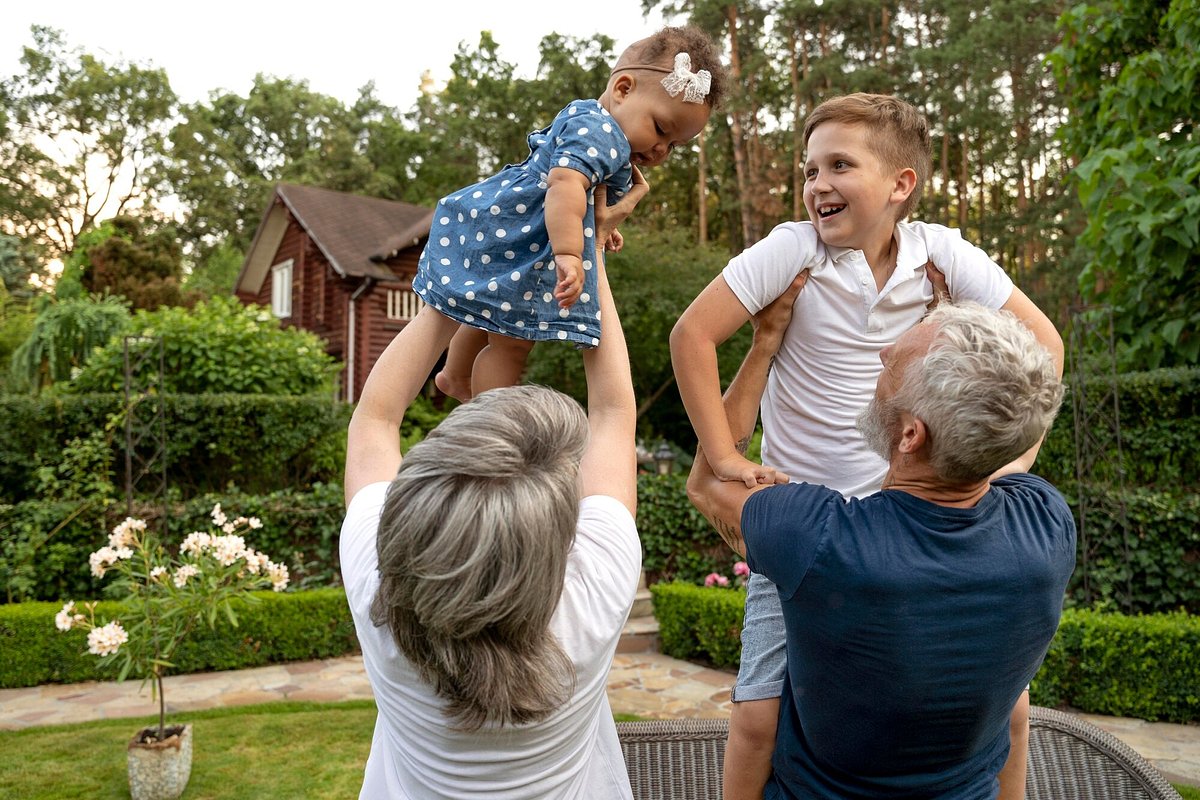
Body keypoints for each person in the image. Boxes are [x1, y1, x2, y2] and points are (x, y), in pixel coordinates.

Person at [669, 92, 1066, 800]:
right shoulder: (793, 250)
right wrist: (727, 458)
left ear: (900, 185)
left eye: (839, 165)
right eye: (809, 168)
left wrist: (1003, 465)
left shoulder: (941, 255)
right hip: (804, 518)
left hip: (910, 516)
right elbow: (691, 336)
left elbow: (1045, 347)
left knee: (1008, 703)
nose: (816, 183)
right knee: (760, 710)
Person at [687, 294, 1076, 799]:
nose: (883, 351)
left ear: (911, 435)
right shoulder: (1046, 526)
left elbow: (705, 483)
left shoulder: (819, 537)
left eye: (899, 357)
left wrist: (764, 345)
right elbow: (1009, 452)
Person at [340, 173, 647, 798]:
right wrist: (585, 252)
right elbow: (614, 413)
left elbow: (374, 419)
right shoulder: (590, 604)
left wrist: (445, 293)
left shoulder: (380, 594)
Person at [416, 24, 726, 402]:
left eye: (674, 146)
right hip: (524, 232)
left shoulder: (596, 127)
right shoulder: (601, 134)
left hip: (509, 228)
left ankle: (455, 376)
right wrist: (569, 251)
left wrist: (597, 231)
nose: (661, 149)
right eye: (661, 129)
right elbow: (564, 185)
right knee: (513, 344)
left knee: (487, 308)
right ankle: (489, 417)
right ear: (623, 89)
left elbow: (580, 199)